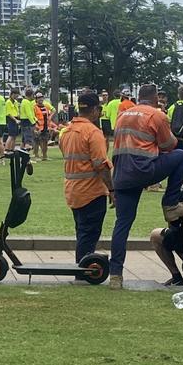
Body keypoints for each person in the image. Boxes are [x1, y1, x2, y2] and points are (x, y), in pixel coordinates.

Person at [110, 84, 183, 290]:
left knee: (122, 224)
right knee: (181, 156)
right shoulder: (156, 115)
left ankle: (115, 274)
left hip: (122, 176)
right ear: (155, 99)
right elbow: (169, 145)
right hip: (144, 170)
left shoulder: (123, 115)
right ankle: (171, 202)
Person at [58, 90, 114, 267]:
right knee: (88, 234)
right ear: (95, 110)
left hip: (73, 191)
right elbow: (100, 165)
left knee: (81, 232)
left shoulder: (66, 131)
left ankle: (82, 265)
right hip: (92, 192)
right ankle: (84, 269)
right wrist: (112, 189)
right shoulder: (93, 132)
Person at [33, 92, 51, 161]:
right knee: (37, 141)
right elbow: (33, 116)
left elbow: (48, 115)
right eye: (39, 98)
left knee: (45, 142)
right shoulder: (34, 107)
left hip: (45, 127)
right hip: (38, 127)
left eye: (41, 97)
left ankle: (44, 156)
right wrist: (36, 126)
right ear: (36, 99)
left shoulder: (46, 106)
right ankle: (36, 156)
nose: (40, 99)